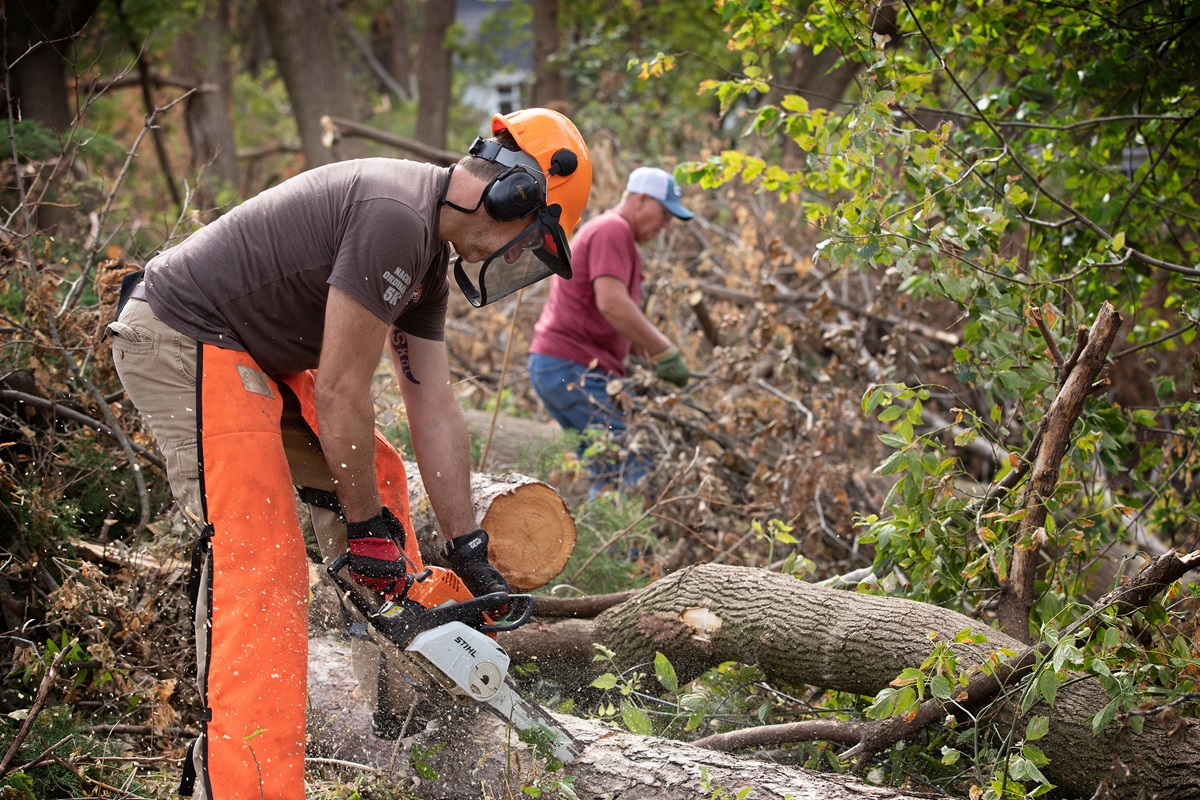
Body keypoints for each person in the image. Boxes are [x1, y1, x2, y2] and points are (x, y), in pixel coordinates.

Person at [106, 108, 591, 799]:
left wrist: (468, 548)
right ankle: (247, 787)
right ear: (515, 195)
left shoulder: (423, 252)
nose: (517, 255)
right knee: (259, 553)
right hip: (184, 338)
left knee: (381, 477)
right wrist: (363, 531)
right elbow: (338, 390)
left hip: (247, 352)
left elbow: (434, 406)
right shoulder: (395, 214)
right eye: (533, 237)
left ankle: (409, 669)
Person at [527, 166, 693, 494]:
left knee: (608, 467)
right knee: (627, 464)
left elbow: (616, 324)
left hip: (565, 366)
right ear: (642, 201)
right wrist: (664, 351)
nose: (665, 225)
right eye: (664, 215)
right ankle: (622, 546)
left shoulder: (618, 236)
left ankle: (600, 542)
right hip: (570, 366)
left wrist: (657, 363)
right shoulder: (612, 230)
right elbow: (613, 305)